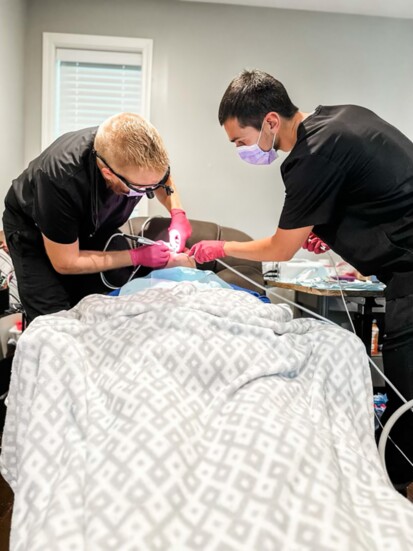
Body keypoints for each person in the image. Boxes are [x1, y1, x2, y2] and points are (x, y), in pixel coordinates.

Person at [189, 69, 413, 491]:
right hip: (402, 268)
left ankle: (391, 497)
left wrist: (222, 249)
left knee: (405, 402)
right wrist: (323, 227)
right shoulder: (342, 118)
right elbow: (371, 191)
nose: (241, 150)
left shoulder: (309, 159)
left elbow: (279, 248)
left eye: (240, 141)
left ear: (271, 122)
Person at [3, 113, 192, 324]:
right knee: (54, 321)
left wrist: (177, 213)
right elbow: (66, 261)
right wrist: (137, 256)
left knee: (107, 299)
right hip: (33, 231)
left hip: (90, 225)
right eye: (140, 188)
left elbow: (162, 177)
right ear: (108, 174)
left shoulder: (137, 153)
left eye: (153, 186)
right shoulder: (61, 178)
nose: (149, 191)